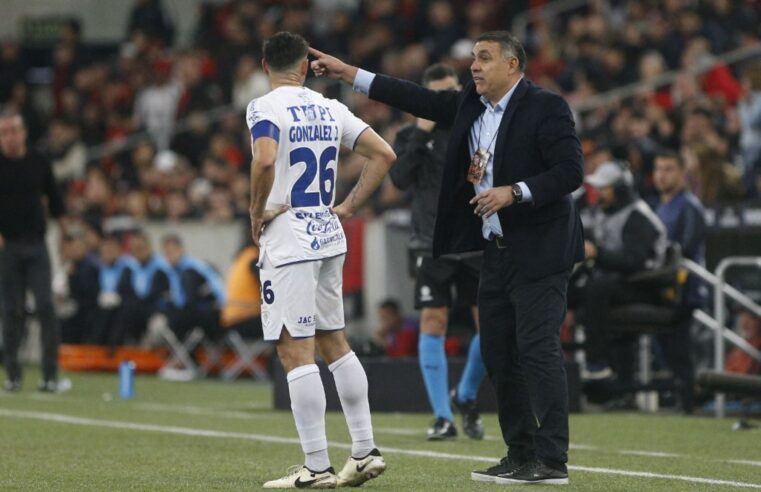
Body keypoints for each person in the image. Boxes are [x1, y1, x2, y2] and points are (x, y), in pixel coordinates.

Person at [311, 30, 584, 485]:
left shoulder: (546, 107)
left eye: (484, 58)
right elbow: (412, 96)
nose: (474, 66)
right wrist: (347, 73)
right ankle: (520, 452)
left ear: (512, 65)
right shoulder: (470, 105)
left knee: (537, 348)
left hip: (540, 250)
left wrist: (515, 192)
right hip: (494, 248)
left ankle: (552, 459)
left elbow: (571, 171)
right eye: (473, 57)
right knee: (498, 352)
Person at [248, 32, 396, 489]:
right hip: (328, 233)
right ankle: (365, 450)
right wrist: (348, 206)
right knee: (334, 341)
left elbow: (265, 159)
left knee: (294, 348)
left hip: (288, 237)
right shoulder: (330, 108)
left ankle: (316, 467)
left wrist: (255, 210)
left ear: (265, 65)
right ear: (304, 65)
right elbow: (383, 154)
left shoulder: (264, 107)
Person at [389, 62, 487, 441]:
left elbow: (483, 176)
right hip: (431, 242)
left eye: (450, 92)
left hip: (474, 239)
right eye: (437, 95)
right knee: (433, 321)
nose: (445, 100)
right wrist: (420, 133)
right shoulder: (409, 135)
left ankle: (466, 394)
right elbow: (400, 179)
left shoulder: (477, 128)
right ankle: (443, 416)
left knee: (491, 325)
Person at [580, 161, 668, 381]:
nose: (598, 193)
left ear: (620, 189)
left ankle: (597, 363)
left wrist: (597, 253)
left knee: (597, 288)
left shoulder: (638, 216)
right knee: (572, 287)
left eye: (604, 188)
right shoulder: (605, 213)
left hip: (646, 285)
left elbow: (634, 262)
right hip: (620, 282)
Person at [0, 111, 68, 393]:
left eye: (14, 131)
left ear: (24, 133)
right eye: (4, 132)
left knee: (46, 307)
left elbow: (55, 200)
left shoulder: (39, 161)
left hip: (37, 245)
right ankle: (13, 374)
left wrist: (65, 235)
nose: (10, 137)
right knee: (12, 310)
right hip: (8, 247)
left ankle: (50, 375)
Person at [652, 150, 706, 412]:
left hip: (685, 289)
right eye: (658, 169)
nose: (662, 175)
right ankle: (682, 399)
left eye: (669, 169)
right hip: (664, 288)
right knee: (669, 349)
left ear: (683, 173)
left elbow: (686, 247)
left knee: (682, 349)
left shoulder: (689, 205)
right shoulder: (661, 206)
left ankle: (689, 402)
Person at [161, 234, 225, 342]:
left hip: (213, 310)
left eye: (171, 252)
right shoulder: (173, 270)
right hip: (197, 309)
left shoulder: (192, 269)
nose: (169, 256)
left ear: (181, 250)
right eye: (166, 253)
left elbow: (218, 289)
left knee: (175, 319)